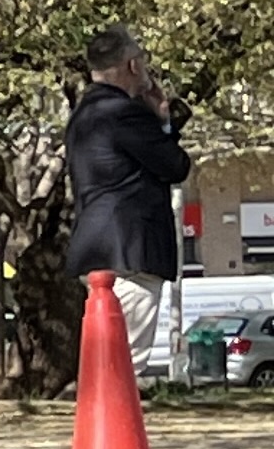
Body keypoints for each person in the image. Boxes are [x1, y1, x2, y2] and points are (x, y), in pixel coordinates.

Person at [69, 26, 197, 377]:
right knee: (122, 366)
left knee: (106, 360)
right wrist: (164, 124)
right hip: (131, 253)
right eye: (141, 58)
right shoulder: (125, 113)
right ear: (132, 65)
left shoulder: (84, 113)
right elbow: (174, 165)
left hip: (97, 248)